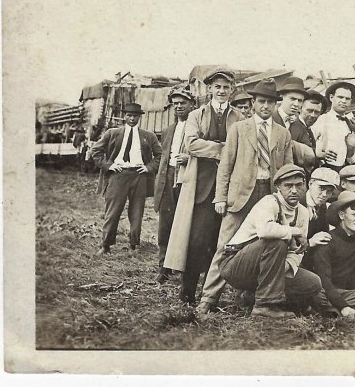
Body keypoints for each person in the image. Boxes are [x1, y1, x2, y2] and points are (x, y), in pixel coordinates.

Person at [196, 78, 293, 314]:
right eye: (261, 102)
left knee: (264, 245)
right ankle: (208, 299)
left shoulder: (282, 134)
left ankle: (251, 296)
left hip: (269, 195)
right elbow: (225, 165)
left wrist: (287, 200)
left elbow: (288, 169)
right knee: (226, 245)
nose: (265, 107)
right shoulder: (239, 129)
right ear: (253, 103)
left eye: (270, 103)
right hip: (240, 196)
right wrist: (220, 197)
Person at [163, 69, 245, 304]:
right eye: (217, 87)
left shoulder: (239, 118)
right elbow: (191, 145)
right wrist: (223, 149)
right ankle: (187, 291)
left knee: (218, 242)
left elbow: (242, 145)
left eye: (226, 87)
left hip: (228, 188)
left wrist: (220, 150)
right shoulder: (196, 115)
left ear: (231, 90)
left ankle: (209, 295)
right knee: (196, 239)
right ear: (209, 89)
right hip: (201, 187)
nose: (221, 91)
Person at [218, 165, 323, 319]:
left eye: (299, 185)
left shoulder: (303, 212)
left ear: (305, 185)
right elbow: (265, 231)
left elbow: (298, 252)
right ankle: (264, 306)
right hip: (236, 265)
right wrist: (295, 231)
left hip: (268, 269)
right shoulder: (269, 202)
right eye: (288, 186)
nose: (294, 190)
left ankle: (253, 296)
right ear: (278, 187)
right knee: (276, 241)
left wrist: (283, 266)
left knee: (313, 283)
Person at [90, 102, 162, 255]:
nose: (132, 119)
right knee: (113, 211)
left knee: (137, 212)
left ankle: (134, 245)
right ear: (124, 116)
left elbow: (160, 155)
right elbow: (96, 150)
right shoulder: (113, 133)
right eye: (129, 115)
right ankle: (106, 245)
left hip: (139, 176)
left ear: (139, 117)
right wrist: (108, 166)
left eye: (135, 116)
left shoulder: (148, 136)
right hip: (118, 175)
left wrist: (149, 168)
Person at [311, 191, 355, 319]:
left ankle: (334, 311)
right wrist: (344, 306)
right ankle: (341, 310)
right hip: (326, 291)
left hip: (344, 293)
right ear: (342, 215)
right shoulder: (327, 240)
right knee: (317, 296)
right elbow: (324, 280)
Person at [154, 85, 196, 282]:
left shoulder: (197, 127)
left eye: (183, 103)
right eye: (176, 104)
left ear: (192, 105)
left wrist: (189, 158)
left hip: (187, 178)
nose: (179, 107)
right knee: (165, 223)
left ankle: (182, 264)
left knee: (185, 222)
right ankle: (163, 266)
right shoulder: (169, 130)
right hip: (169, 177)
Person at [310, 81, 355, 171]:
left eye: (347, 99)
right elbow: (308, 146)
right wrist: (319, 153)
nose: (343, 101)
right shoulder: (321, 120)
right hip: (323, 170)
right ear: (331, 97)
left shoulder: (351, 126)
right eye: (340, 97)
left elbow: (352, 160)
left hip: (343, 172)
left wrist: (351, 148)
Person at [300, 167, 341, 269]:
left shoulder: (323, 207)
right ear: (310, 184)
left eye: (329, 191)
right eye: (321, 188)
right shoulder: (297, 203)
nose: (324, 195)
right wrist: (310, 242)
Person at [288, 90, 323, 177]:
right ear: (300, 109)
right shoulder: (295, 128)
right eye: (309, 110)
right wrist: (317, 155)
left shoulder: (307, 129)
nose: (313, 115)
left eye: (317, 112)